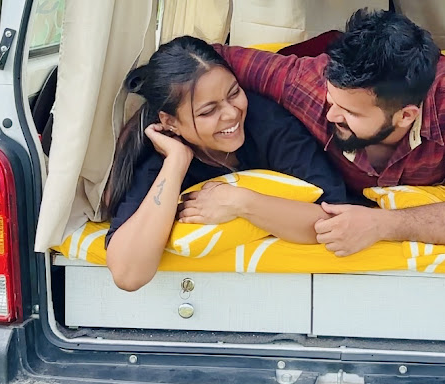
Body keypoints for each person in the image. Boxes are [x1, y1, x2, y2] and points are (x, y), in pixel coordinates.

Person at [213, 9, 445, 257]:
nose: (331, 114)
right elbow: (209, 60)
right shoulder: (304, 81)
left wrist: (382, 224)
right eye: (332, 100)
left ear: (405, 116)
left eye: (351, 112)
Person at [103, 35, 348, 291]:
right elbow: (129, 274)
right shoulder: (160, 156)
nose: (231, 113)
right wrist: (176, 162)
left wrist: (241, 203)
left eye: (234, 93)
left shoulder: (269, 125)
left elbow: (336, 221)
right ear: (170, 122)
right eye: (208, 111)